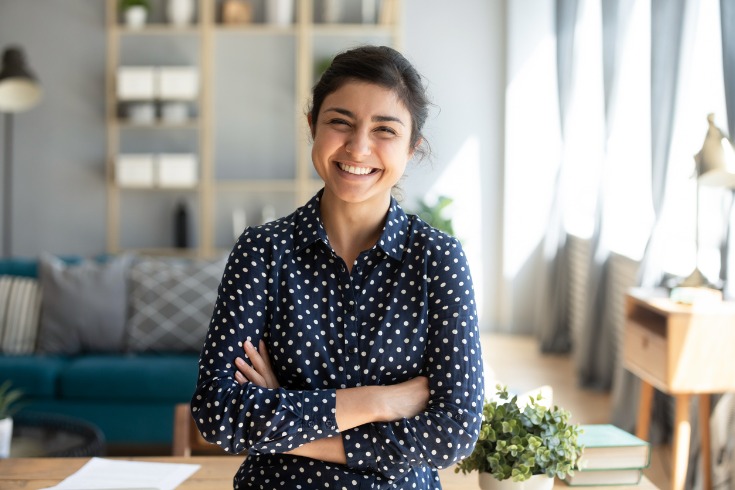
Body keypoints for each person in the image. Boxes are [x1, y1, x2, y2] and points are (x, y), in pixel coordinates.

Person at [191, 45, 484, 489]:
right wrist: (380, 402)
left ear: (412, 147)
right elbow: (217, 413)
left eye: (384, 130)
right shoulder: (262, 252)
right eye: (340, 122)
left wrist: (282, 412)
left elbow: (454, 432)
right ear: (313, 125)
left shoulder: (438, 260)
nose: (358, 147)